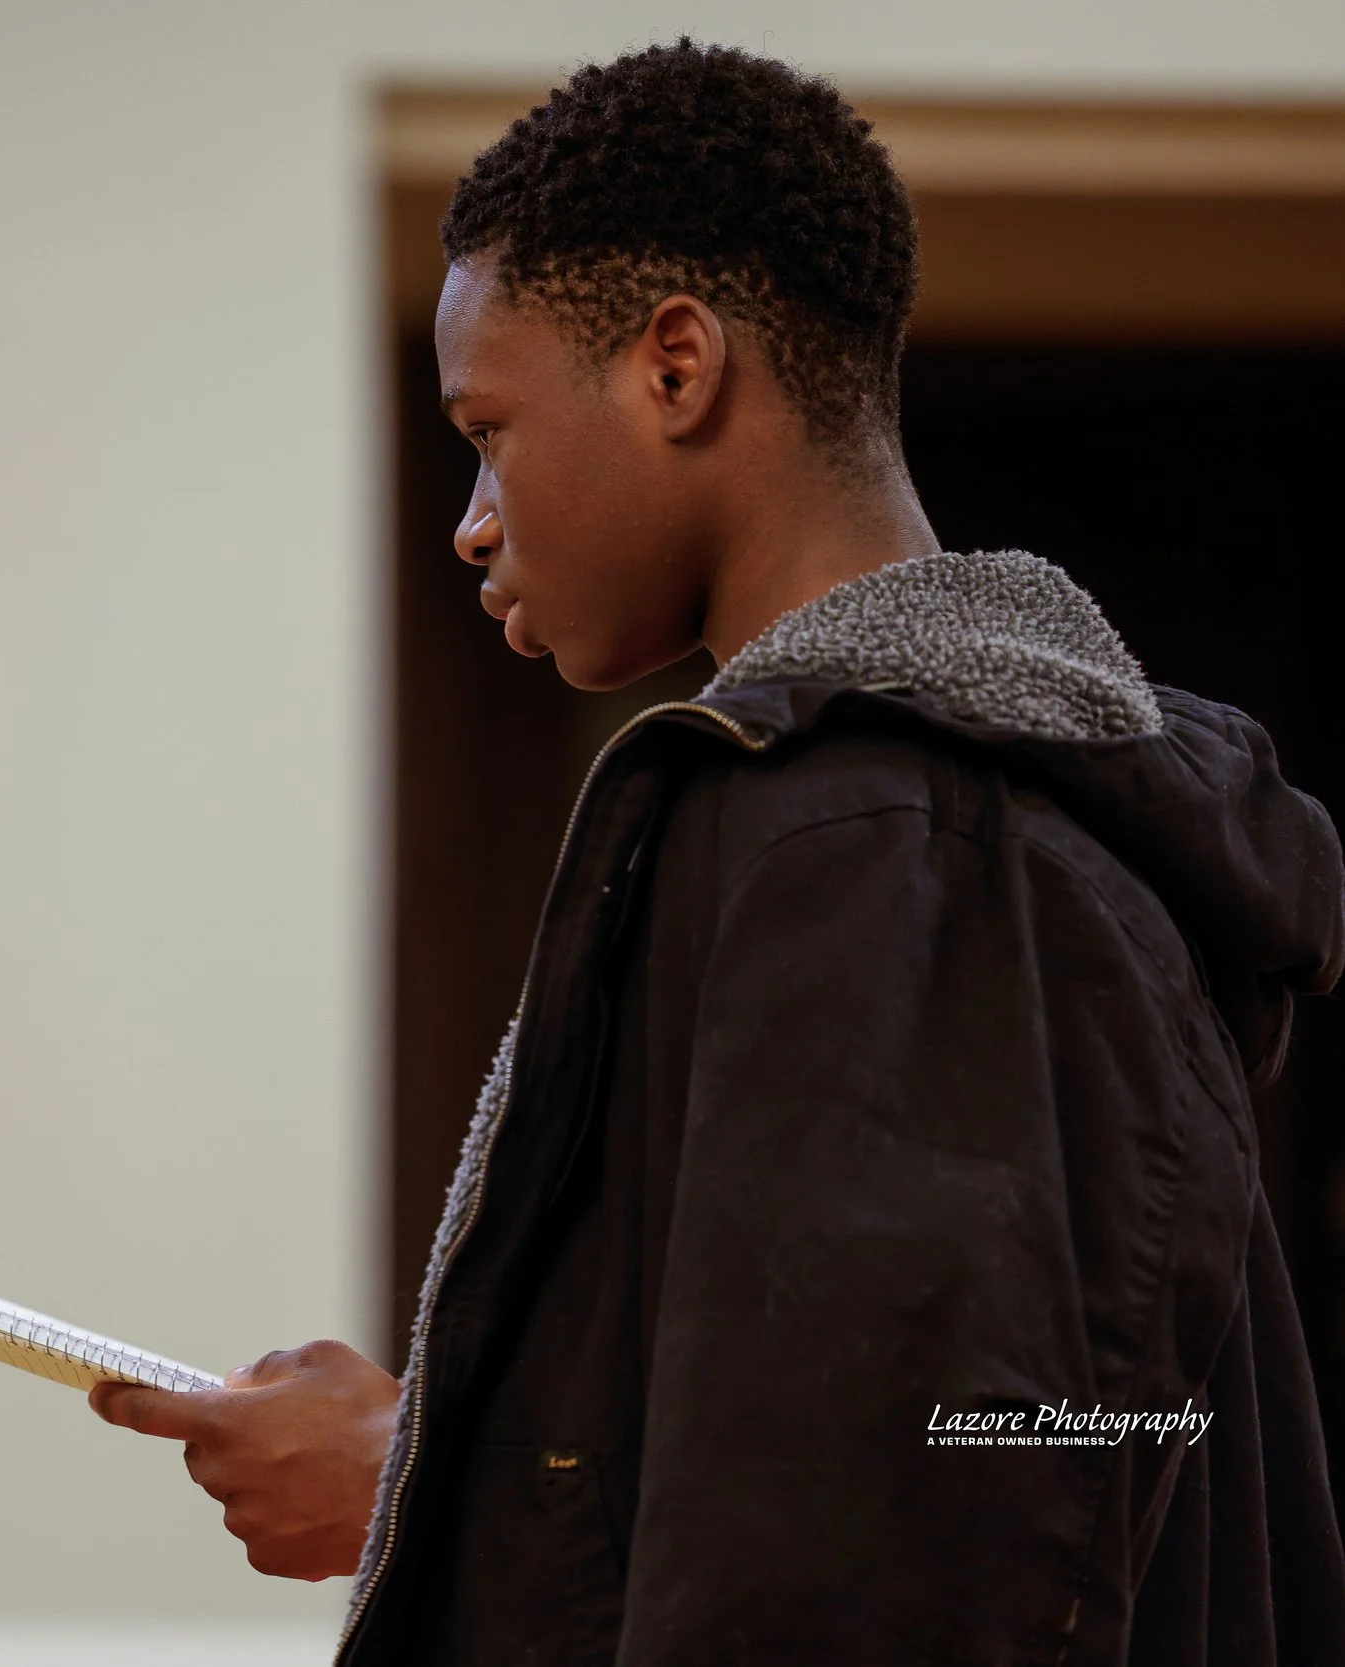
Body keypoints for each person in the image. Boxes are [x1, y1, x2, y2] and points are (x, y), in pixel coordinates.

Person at [89, 40, 1345, 1665]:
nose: (473, 517)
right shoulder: (906, 812)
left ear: (676, 367)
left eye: (491, 427)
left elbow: (879, 1564)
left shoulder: (878, 830)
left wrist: (427, 1486)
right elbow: (871, 1461)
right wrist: (425, 1463)